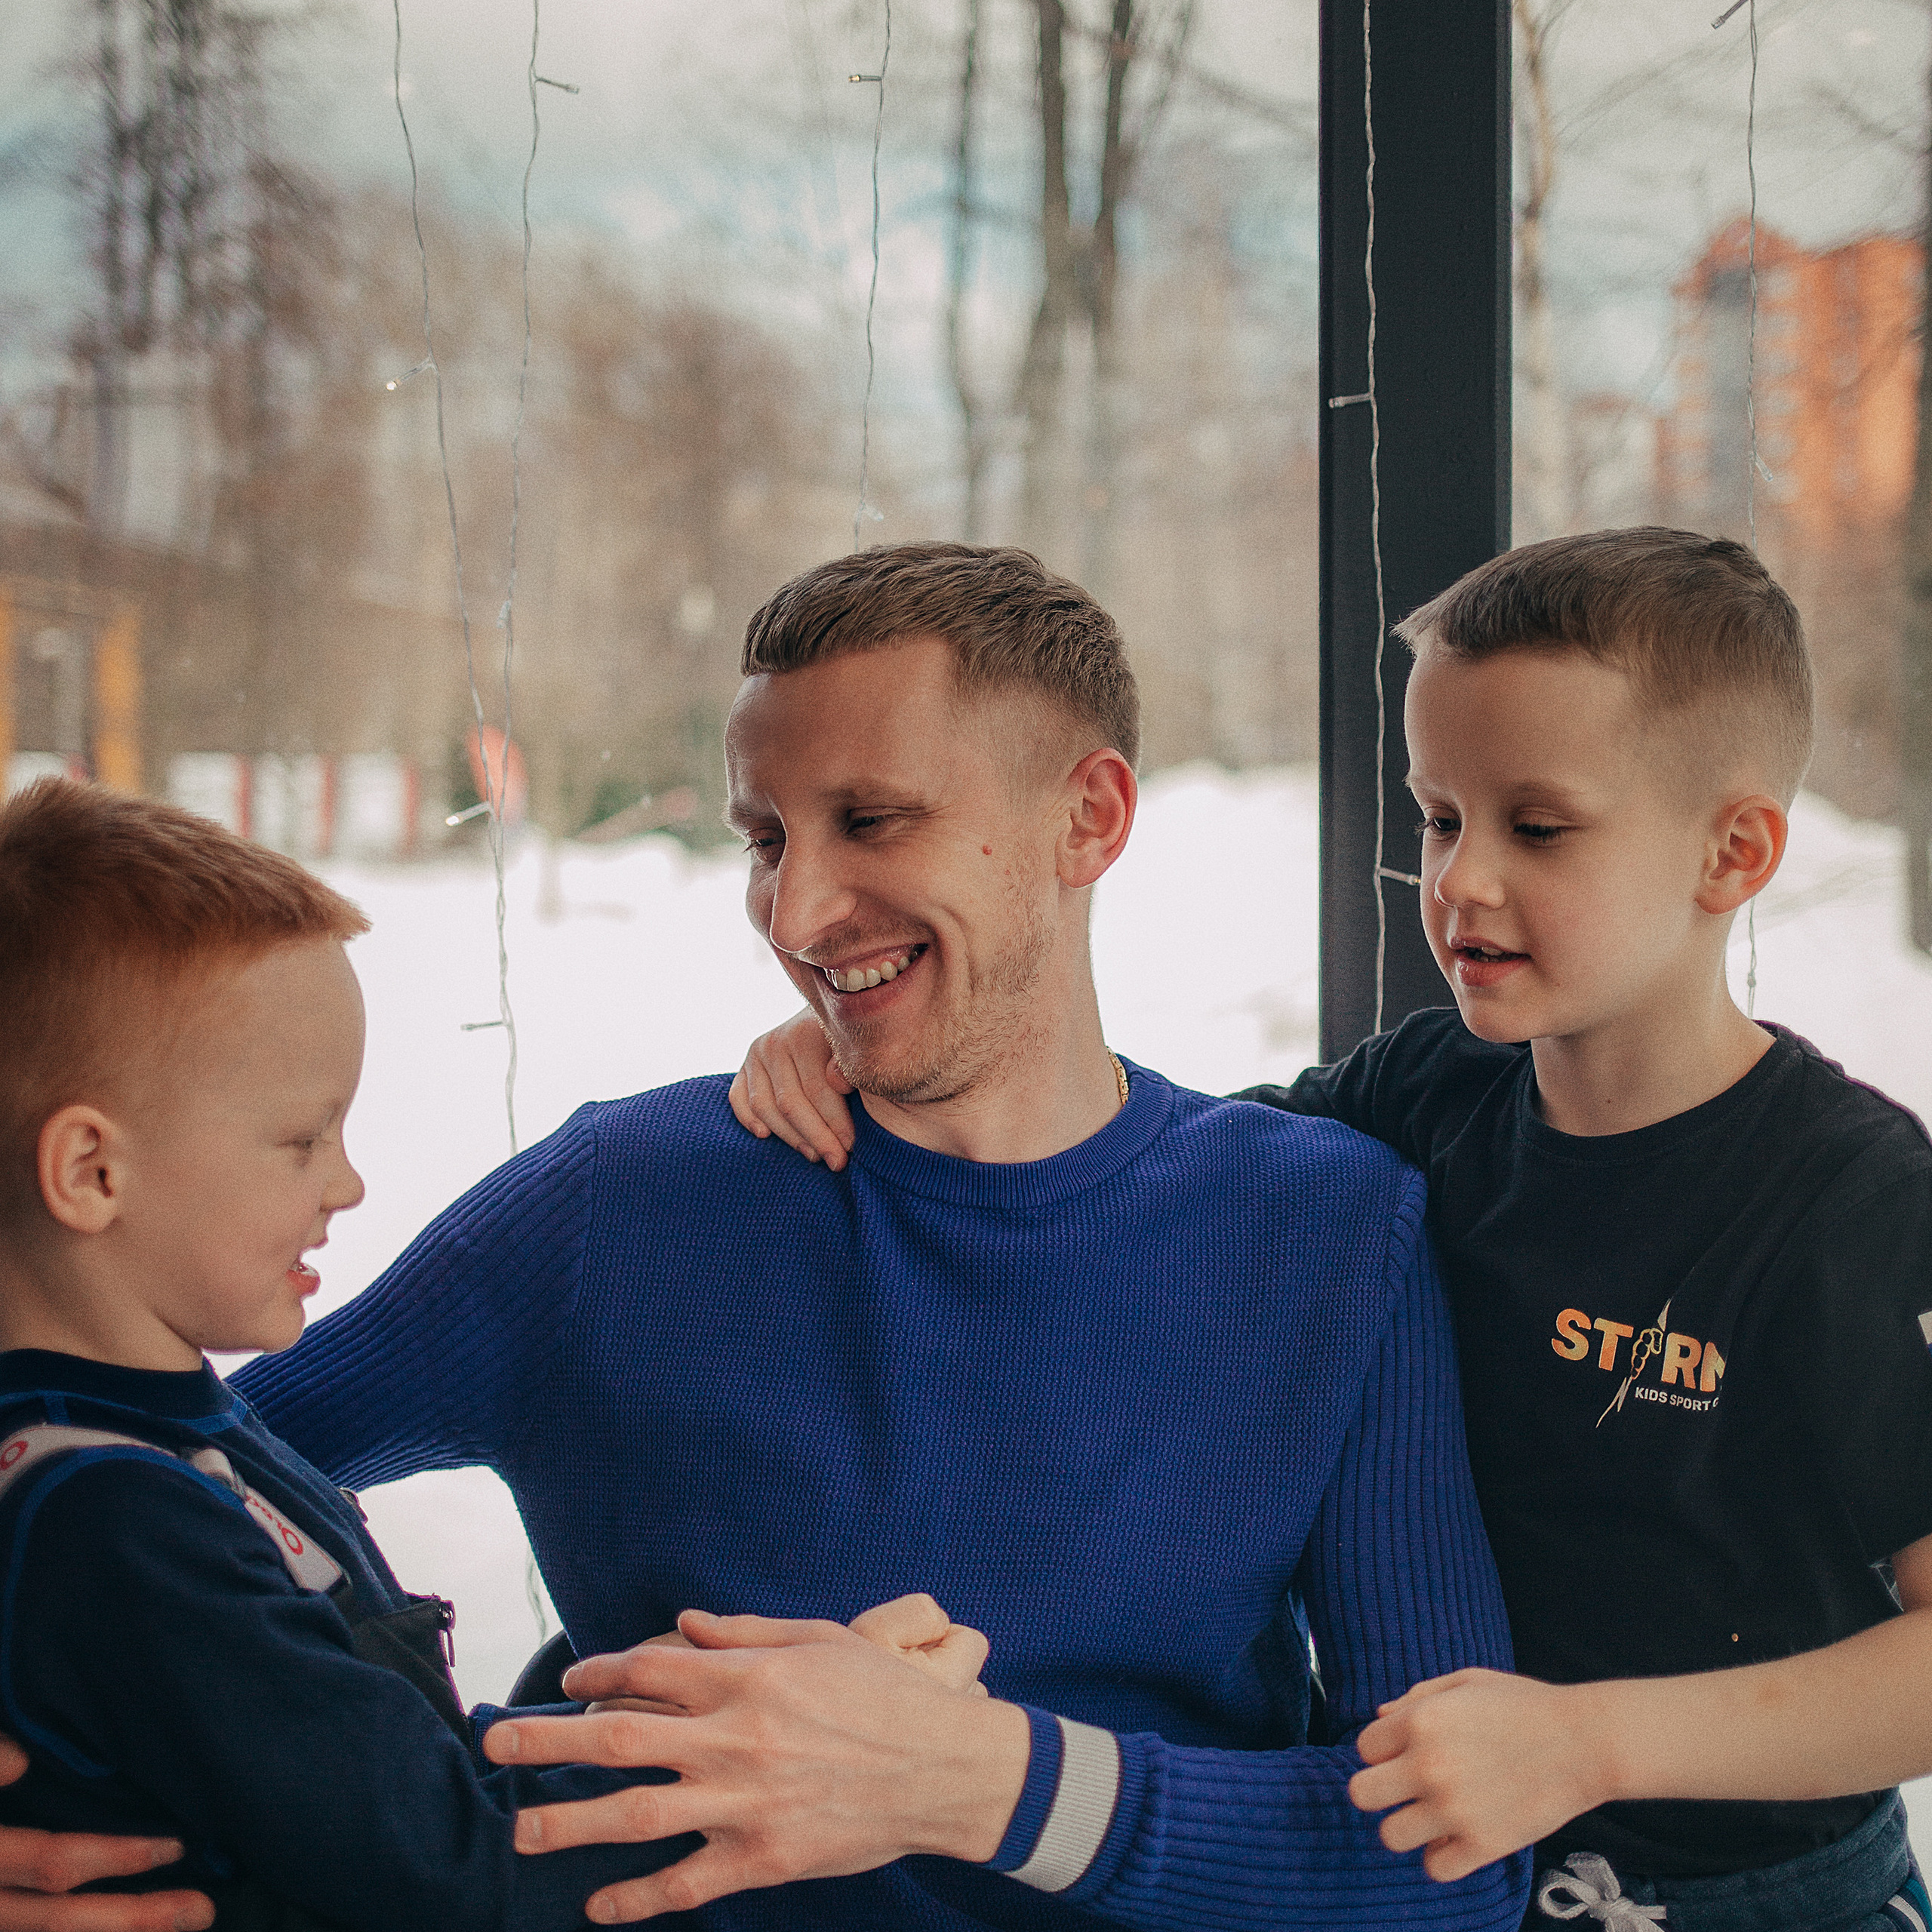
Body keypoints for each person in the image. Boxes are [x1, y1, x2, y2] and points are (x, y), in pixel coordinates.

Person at [0, 543, 1532, 1932]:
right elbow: (100, 1449)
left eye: (871, 819)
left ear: (1089, 816)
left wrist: (988, 1782)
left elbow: (1454, 1864)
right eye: (761, 834)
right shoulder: (622, 1200)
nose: (796, 909)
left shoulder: (1325, 1227)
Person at [731, 529, 1932, 1931]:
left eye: (1536, 828)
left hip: (1758, 1900)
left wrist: (1589, 1743)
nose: (1462, 880)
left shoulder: (1853, 1202)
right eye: (1439, 818)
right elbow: (1133, 1164)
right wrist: (861, 1035)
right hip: (1427, 1885)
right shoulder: (1421, 1096)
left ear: (1735, 852)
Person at [0, 777, 983, 1932]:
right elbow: (449, 1875)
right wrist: (788, 1755)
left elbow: (375, 1791)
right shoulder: (117, 1522)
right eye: (298, 1139)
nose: (347, 1183)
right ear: (91, 1174)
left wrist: (698, 1703)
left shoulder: (171, 1443)